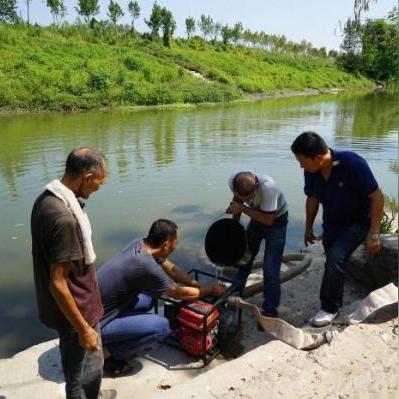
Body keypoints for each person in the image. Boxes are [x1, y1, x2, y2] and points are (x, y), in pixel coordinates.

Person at [31, 148, 116, 399]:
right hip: (76, 311)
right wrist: (84, 329)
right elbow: (58, 283)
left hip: (70, 307)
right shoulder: (65, 219)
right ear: (87, 177)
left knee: (81, 367)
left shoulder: (46, 199)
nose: (99, 188)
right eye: (99, 182)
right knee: (83, 371)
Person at [97, 219, 225, 376]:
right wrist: (209, 290)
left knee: (150, 297)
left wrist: (197, 285)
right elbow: (176, 292)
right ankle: (105, 353)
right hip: (94, 325)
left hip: (102, 308)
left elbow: (172, 270)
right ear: (166, 244)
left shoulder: (140, 243)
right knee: (161, 328)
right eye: (176, 242)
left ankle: (120, 334)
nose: (176, 246)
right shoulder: (145, 265)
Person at [291, 131, 384, 327]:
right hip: (332, 223)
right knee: (334, 260)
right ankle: (335, 298)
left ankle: (329, 308)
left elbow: (377, 197)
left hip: (358, 222)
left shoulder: (352, 163)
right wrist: (308, 227)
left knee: (335, 257)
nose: (301, 166)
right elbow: (313, 199)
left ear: (317, 158)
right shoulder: (312, 171)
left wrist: (374, 233)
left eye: (303, 161)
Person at [226, 171, 288, 318]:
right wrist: (235, 224)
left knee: (270, 268)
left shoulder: (269, 188)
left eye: (249, 197)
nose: (248, 200)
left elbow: (268, 220)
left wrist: (244, 209)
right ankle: (234, 297)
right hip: (256, 217)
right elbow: (237, 201)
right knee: (244, 259)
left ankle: (269, 311)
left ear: (256, 188)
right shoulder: (233, 181)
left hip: (276, 222)